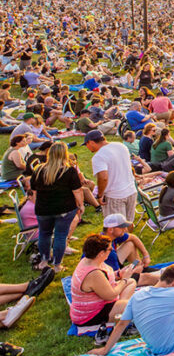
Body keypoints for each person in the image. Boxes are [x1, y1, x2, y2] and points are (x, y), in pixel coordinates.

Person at [30, 141, 84, 271]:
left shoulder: (39, 170)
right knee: (61, 235)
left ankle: (43, 262)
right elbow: (77, 191)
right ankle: (57, 265)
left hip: (43, 208)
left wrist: (41, 203)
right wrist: (81, 205)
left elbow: (34, 191)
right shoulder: (69, 171)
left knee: (44, 234)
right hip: (64, 208)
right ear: (64, 154)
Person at [70, 233, 139, 328]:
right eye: (110, 249)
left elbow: (105, 277)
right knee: (137, 304)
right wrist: (125, 279)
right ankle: (122, 310)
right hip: (91, 315)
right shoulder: (94, 273)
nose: (112, 251)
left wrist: (119, 274)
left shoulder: (90, 260)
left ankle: (121, 309)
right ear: (101, 253)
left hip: (101, 302)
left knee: (132, 282)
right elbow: (111, 295)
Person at [86, 130, 139, 223]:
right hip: (131, 190)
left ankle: (124, 238)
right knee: (129, 223)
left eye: (86, 144)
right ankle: (128, 237)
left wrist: (100, 194)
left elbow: (103, 177)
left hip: (115, 195)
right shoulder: (121, 146)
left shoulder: (98, 157)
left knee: (115, 227)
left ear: (91, 142)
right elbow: (129, 166)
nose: (87, 147)